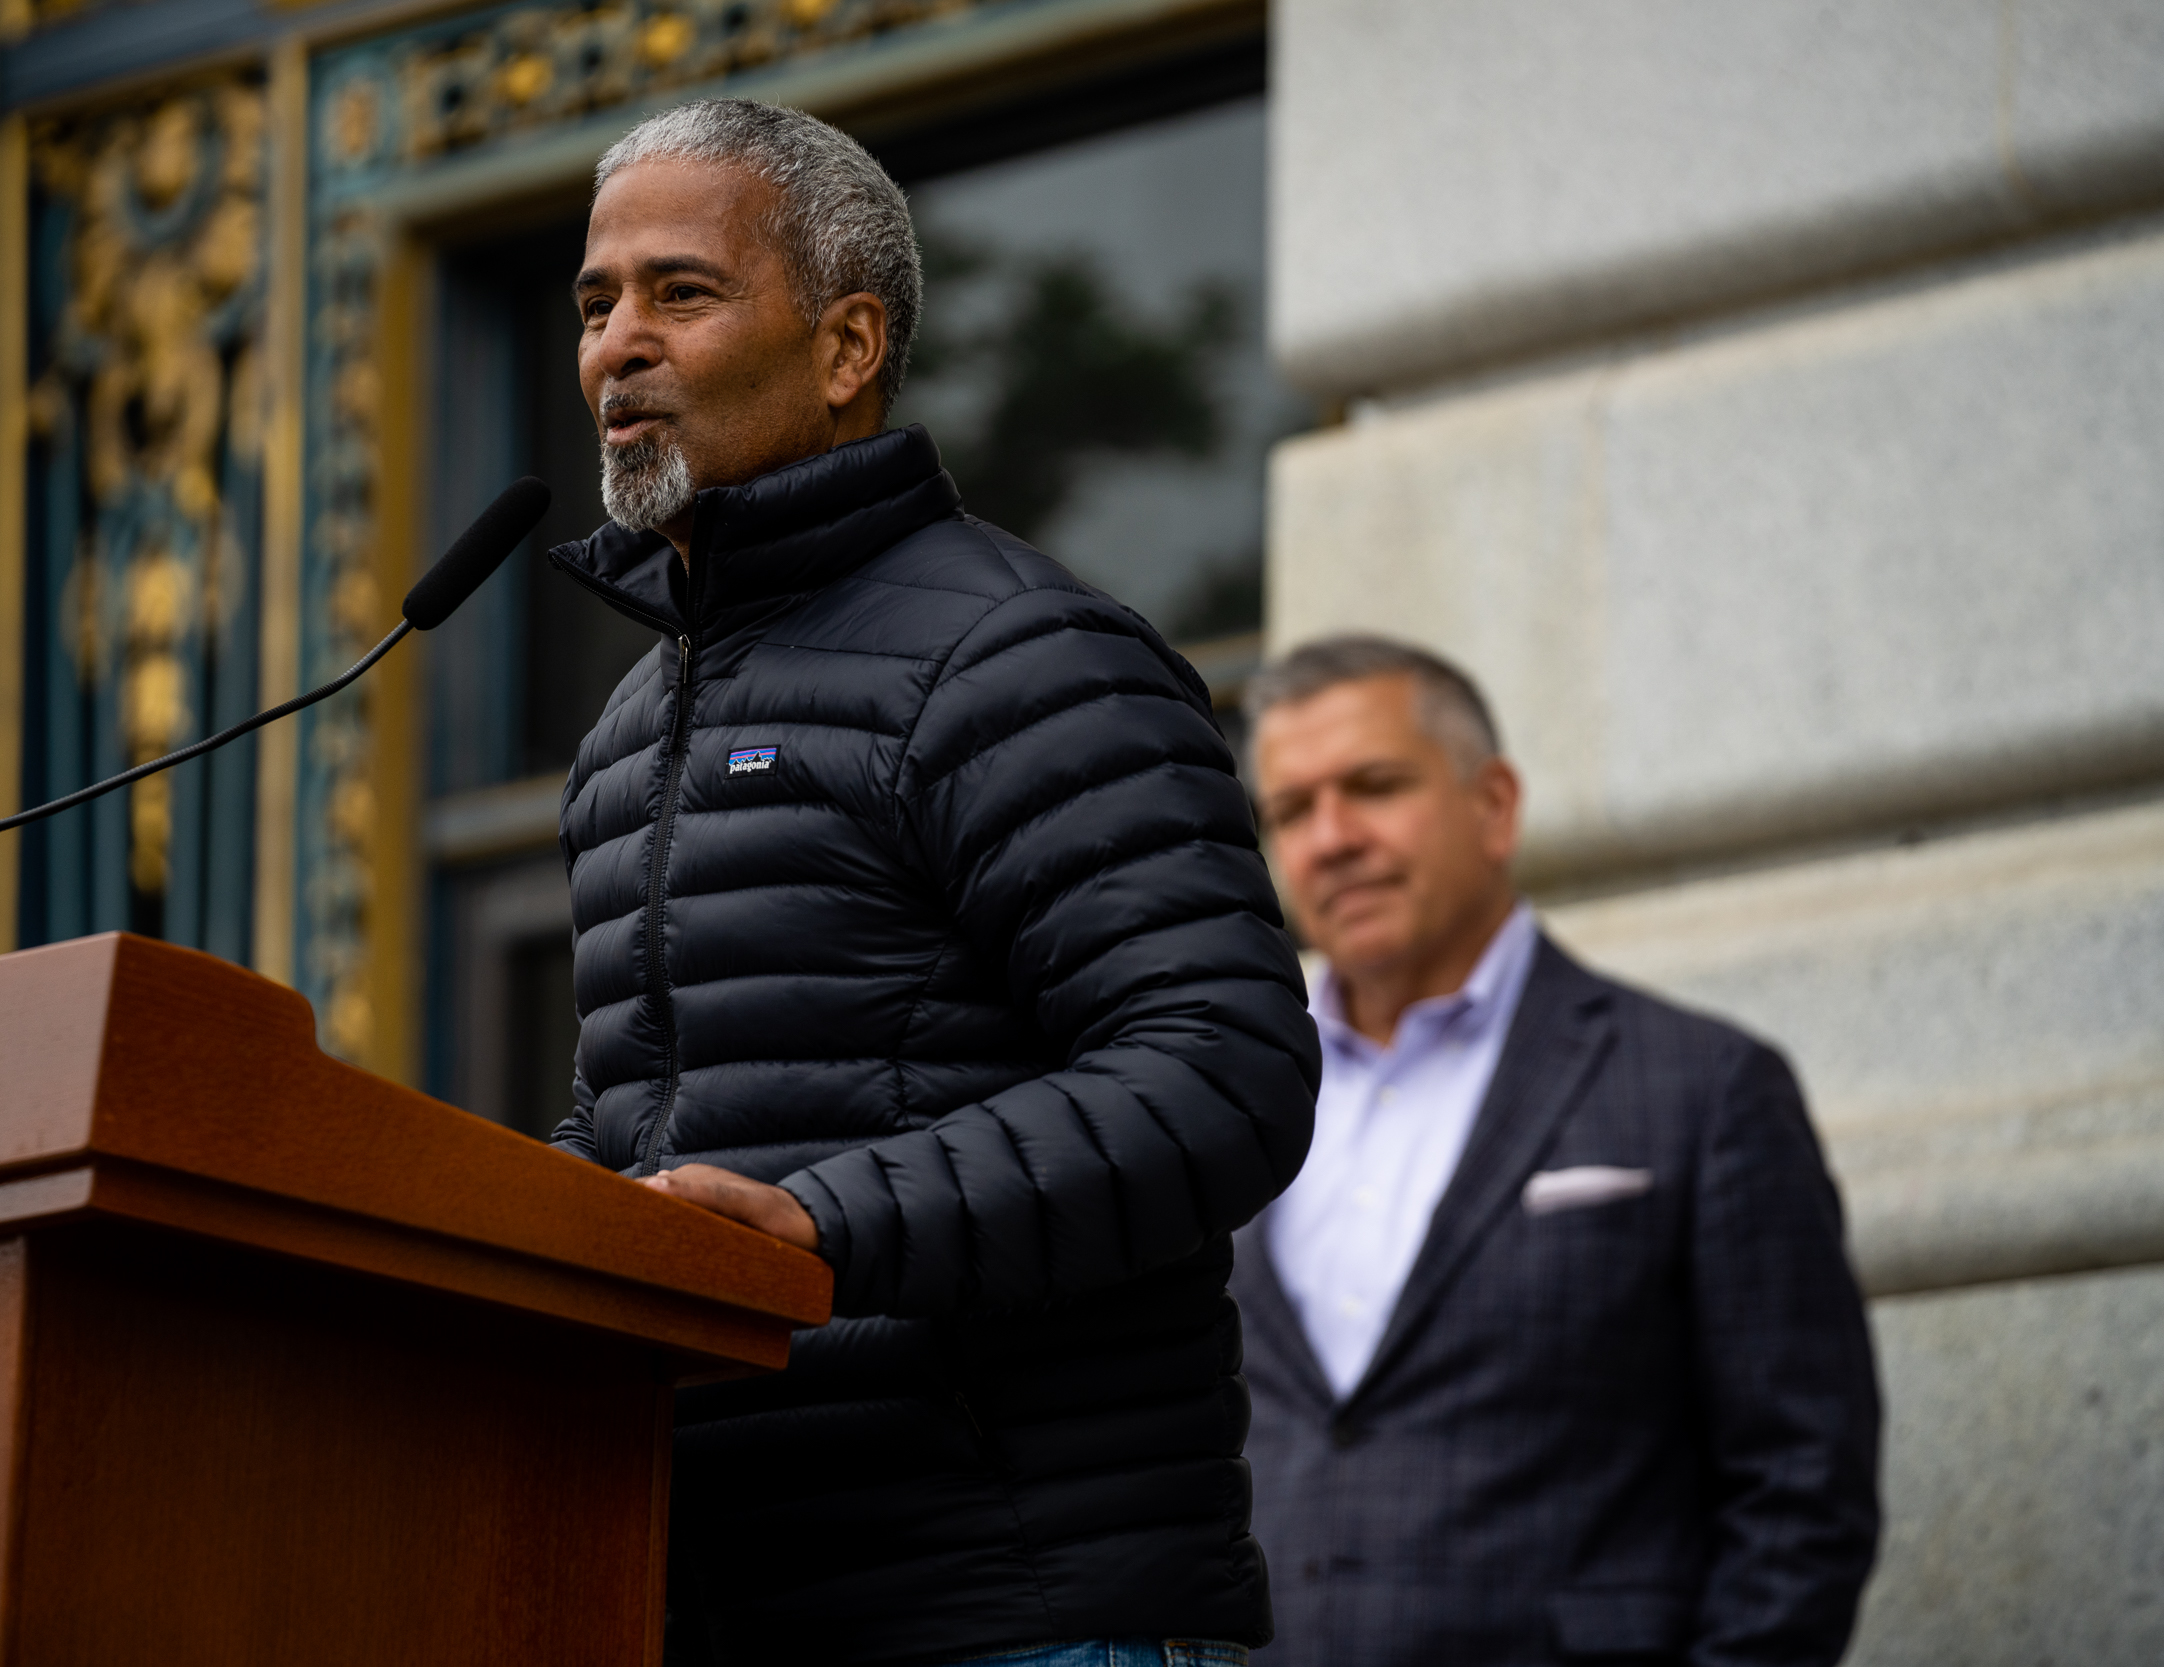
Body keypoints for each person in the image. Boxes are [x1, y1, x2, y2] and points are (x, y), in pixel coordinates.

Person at [541, 99, 1321, 1667]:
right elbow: (645, 1127)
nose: (619, 342)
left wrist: (819, 1227)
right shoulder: (626, 736)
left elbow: (1223, 1069)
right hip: (712, 1604)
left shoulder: (1018, 654)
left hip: (1019, 1611)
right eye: (595, 301)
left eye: (681, 291)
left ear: (847, 346)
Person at [1230, 635, 1881, 1666]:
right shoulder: (1227, 1098)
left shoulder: (1702, 1088)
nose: (1331, 837)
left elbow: (1801, 1486)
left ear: (1493, 804)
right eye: (1291, 810)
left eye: (1374, 785)